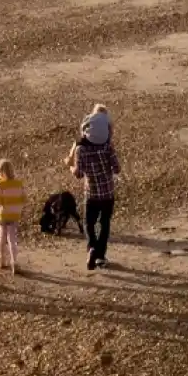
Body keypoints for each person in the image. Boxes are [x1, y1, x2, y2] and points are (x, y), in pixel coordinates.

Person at [68, 105, 122, 270]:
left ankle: (91, 247)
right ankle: (100, 255)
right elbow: (117, 168)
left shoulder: (81, 149)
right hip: (108, 193)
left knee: (88, 223)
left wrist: (69, 166)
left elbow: (78, 173)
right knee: (104, 224)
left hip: (91, 193)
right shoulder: (107, 147)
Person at [0, 158, 28, 277]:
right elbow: (23, 199)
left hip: (3, 214)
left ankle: (1, 260)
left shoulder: (0, 185)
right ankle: (14, 262)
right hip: (14, 214)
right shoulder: (19, 184)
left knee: (2, 237)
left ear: (1, 173)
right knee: (12, 239)